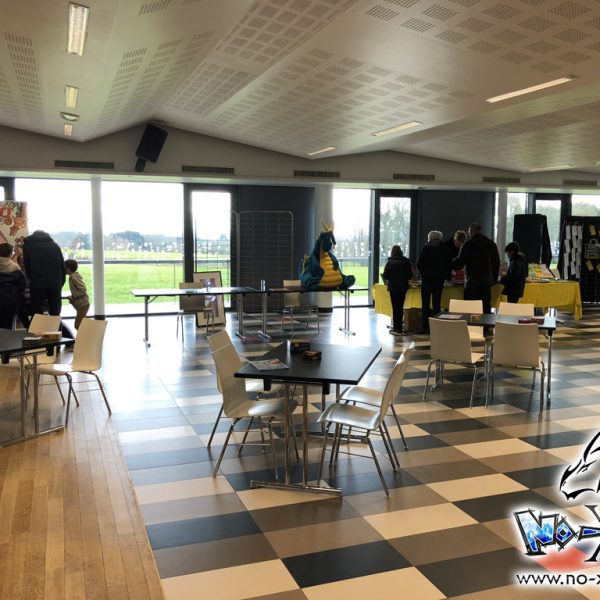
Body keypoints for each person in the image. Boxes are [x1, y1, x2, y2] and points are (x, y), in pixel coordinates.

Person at [453, 222, 500, 314]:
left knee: (471, 311)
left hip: (472, 283)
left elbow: (460, 263)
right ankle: (486, 324)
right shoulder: (491, 244)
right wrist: (493, 280)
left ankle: (472, 324)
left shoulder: (468, 244)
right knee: (485, 310)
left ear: (471, 231)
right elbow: (496, 263)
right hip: (486, 283)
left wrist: (449, 263)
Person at [23, 230, 66, 317]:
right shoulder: (54, 245)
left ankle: (37, 326)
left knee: (37, 311)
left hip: (37, 282)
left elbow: (27, 265)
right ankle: (55, 325)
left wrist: (32, 279)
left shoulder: (28, 245)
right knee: (55, 310)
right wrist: (60, 283)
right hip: (55, 282)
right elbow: (62, 266)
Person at [417, 230, 452, 333]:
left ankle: (425, 328)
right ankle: (436, 328)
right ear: (440, 238)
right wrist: (445, 276)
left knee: (425, 306)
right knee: (437, 305)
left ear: (430, 238)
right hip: (439, 281)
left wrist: (424, 274)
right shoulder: (445, 249)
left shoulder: (426, 248)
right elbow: (448, 265)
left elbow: (419, 264)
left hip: (427, 281)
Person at [382, 245, 414, 336]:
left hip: (393, 287)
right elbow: (410, 275)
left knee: (395, 307)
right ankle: (399, 328)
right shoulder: (406, 262)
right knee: (400, 306)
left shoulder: (390, 262)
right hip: (403, 287)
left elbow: (385, 275)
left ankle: (396, 328)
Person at [0, 242, 26, 329]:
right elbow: (22, 285)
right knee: (8, 325)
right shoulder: (15, 267)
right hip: (11, 301)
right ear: (10, 254)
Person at [65, 259, 90, 330]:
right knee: (80, 324)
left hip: (83, 305)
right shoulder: (73, 277)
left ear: (68, 268)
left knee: (78, 325)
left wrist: (73, 296)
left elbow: (83, 289)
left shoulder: (74, 278)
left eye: (64, 267)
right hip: (81, 305)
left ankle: (89, 335)